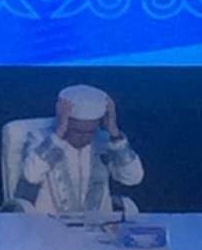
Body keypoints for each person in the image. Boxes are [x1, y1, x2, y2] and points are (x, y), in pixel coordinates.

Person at [16, 84, 144, 214]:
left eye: (90, 132)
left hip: (98, 224)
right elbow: (31, 175)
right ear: (65, 121)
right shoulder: (41, 138)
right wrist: (59, 135)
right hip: (49, 223)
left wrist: (115, 134)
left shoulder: (105, 141)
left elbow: (133, 178)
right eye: (76, 131)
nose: (83, 138)